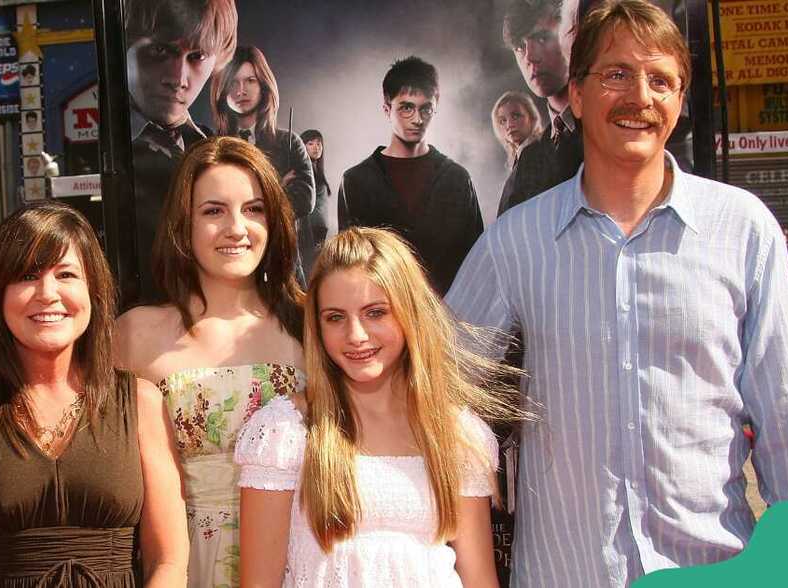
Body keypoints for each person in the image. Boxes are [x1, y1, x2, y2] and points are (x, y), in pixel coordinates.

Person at [446, 2, 788, 585]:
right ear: (575, 93)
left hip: (714, 567)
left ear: (679, 100)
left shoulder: (742, 229)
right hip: (567, 571)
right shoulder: (516, 242)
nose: (640, 97)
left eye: (661, 80)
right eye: (616, 74)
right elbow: (438, 378)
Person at [0, 202, 188, 586]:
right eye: (27, 275)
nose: (48, 293)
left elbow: (170, 560)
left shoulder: (141, 403)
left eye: (66, 274)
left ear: (93, 289)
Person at [237, 227, 521, 587]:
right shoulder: (285, 434)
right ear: (317, 327)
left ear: (409, 313)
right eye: (335, 317)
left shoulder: (457, 434)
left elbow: (479, 578)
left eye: (375, 313)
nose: (356, 335)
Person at [115, 136, 305, 587]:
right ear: (183, 224)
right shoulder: (135, 334)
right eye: (213, 210)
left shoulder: (312, 326)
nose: (236, 227)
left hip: (297, 556)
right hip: (180, 565)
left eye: (254, 209)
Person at [337, 56, 484, 298]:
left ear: (435, 107)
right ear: (387, 109)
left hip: (449, 322)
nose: (417, 119)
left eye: (425, 108)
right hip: (382, 318)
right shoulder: (356, 181)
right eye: (406, 107)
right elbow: (349, 267)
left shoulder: (457, 180)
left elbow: (477, 264)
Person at [126, 0, 238, 302]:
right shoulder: (98, 153)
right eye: (160, 51)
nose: (178, 78)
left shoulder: (220, 150)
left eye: (197, 56)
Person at [210, 46, 315, 283]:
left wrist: (242, 201)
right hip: (231, 268)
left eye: (250, 81)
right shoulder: (213, 146)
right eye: (233, 82)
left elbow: (304, 200)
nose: (241, 90)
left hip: (284, 268)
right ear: (222, 89)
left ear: (264, 86)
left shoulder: (288, 142)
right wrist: (278, 186)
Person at [498, 0, 584, 216]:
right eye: (519, 47)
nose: (530, 57)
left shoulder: (613, 133)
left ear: (571, 35)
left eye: (542, 38)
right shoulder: (528, 161)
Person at [299, 129, 331, 277]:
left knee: (316, 269)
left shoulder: (317, 169)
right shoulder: (304, 170)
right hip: (308, 228)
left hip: (319, 229)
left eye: (319, 143)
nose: (316, 147)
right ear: (302, 146)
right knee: (310, 269)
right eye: (310, 143)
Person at [491, 91, 544, 169]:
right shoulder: (515, 160)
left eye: (515, 116)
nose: (509, 125)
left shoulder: (544, 150)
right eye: (503, 121)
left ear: (532, 118)